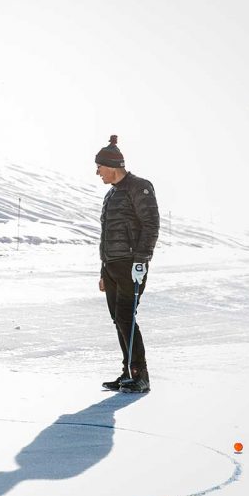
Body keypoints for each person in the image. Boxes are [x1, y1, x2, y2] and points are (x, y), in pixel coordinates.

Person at [95, 135, 160, 393]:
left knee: (125, 317)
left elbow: (151, 225)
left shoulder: (139, 187)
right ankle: (127, 372)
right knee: (118, 319)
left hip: (131, 264)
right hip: (112, 265)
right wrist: (103, 270)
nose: (97, 173)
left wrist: (142, 260)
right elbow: (106, 235)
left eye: (99, 167)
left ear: (111, 166)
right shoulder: (111, 195)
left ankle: (140, 375)